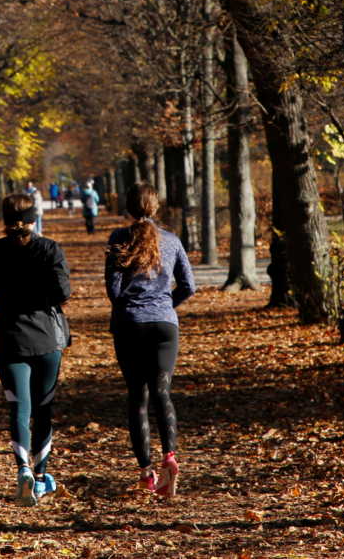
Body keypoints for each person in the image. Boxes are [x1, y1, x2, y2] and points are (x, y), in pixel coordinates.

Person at [0, 193, 72, 506]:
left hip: (9, 339)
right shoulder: (49, 249)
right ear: (33, 217)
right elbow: (63, 292)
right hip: (46, 341)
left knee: (19, 407)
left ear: (3, 220)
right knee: (43, 409)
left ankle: (23, 469)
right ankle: (41, 478)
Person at [104, 182, 194, 497]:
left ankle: (146, 473)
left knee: (137, 399)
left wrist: (131, 303)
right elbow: (188, 285)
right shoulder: (172, 240)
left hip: (130, 324)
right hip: (165, 326)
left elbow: (114, 291)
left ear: (128, 208)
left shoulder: (119, 239)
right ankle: (170, 455)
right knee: (162, 393)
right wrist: (167, 304)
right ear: (156, 207)